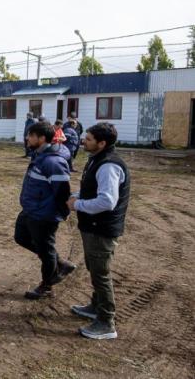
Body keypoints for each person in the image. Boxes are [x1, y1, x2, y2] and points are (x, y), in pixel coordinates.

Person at [67, 123, 130, 340]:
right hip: (93, 227)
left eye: (89, 138)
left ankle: (106, 322)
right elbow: (92, 189)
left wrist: (77, 205)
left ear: (102, 143)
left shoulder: (108, 166)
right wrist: (78, 195)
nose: (84, 140)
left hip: (101, 229)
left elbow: (107, 201)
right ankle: (96, 306)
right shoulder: (97, 159)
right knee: (96, 270)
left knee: (101, 274)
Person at [14, 121, 76, 300]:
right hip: (31, 209)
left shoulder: (53, 161)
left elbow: (62, 191)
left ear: (42, 138)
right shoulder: (39, 155)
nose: (27, 138)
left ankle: (47, 285)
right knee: (21, 237)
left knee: (46, 248)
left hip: (44, 214)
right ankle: (60, 262)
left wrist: (62, 213)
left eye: (31, 135)